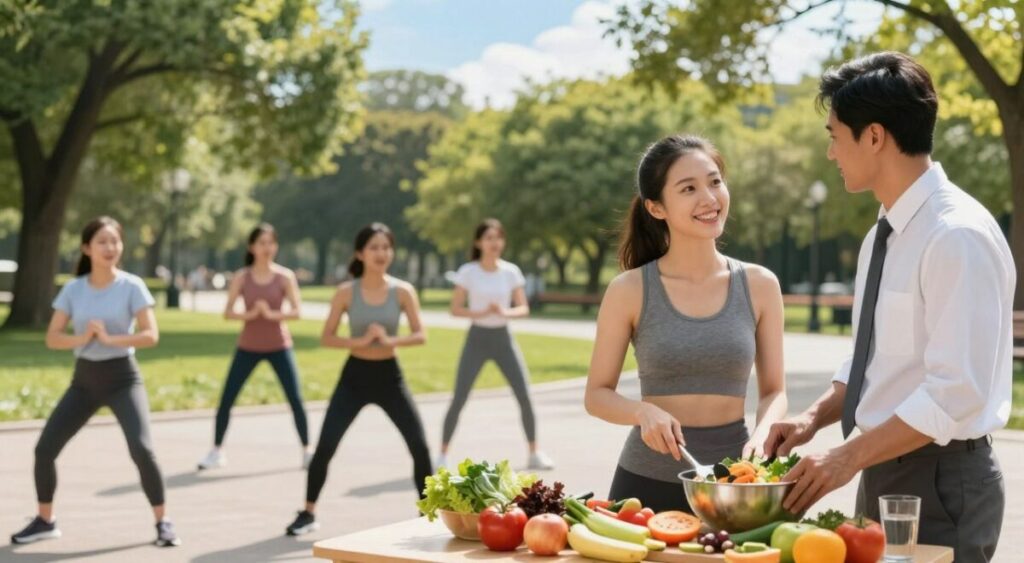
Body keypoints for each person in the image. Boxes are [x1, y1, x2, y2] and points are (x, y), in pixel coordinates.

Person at [763, 52, 1011, 562]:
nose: (830, 152)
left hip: (941, 478)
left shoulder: (955, 235)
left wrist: (843, 459)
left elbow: (953, 394)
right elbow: (875, 358)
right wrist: (815, 417)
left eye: (834, 135)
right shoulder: (887, 232)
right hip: (882, 465)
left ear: (873, 136)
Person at [584, 135, 787, 512]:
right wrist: (642, 412)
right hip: (644, 485)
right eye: (688, 188)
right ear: (656, 207)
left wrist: (763, 434)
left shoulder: (760, 285)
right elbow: (596, 394)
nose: (709, 198)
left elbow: (775, 390)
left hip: (735, 483)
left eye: (714, 181)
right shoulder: (629, 290)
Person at [10, 216, 180, 547]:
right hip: (84, 382)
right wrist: (84, 338)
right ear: (87, 248)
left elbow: (150, 335)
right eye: (102, 241)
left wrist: (113, 339)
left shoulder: (132, 286)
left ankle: (164, 522)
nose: (110, 248)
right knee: (44, 449)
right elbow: (52, 338)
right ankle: (45, 520)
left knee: (143, 448)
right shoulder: (74, 289)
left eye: (115, 241)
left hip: (122, 378)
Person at [285, 223, 432, 536]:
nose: (381, 253)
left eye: (386, 247)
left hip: (390, 377)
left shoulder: (403, 291)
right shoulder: (345, 293)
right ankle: (308, 512)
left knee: (419, 446)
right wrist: (360, 342)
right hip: (354, 377)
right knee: (325, 447)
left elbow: (420, 335)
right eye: (374, 247)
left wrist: (391, 341)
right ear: (360, 253)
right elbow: (327, 337)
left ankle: (427, 513)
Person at [438, 219, 555, 471]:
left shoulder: (510, 272)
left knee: (524, 394)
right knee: (459, 397)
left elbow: (523, 308)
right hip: (477, 339)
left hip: (503, 339)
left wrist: (503, 311)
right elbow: (455, 309)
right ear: (478, 242)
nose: (494, 243)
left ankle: (534, 452)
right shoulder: (468, 272)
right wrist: (479, 313)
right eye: (489, 238)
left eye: (498, 238)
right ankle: (442, 455)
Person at [197, 223, 311, 470]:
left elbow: (296, 312)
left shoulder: (285, 277)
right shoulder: (242, 277)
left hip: (279, 345)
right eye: (262, 243)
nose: (267, 248)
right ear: (252, 247)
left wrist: (271, 314)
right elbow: (228, 313)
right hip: (248, 346)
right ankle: (216, 451)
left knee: (295, 398)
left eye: (271, 242)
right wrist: (250, 314)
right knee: (227, 398)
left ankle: (307, 450)